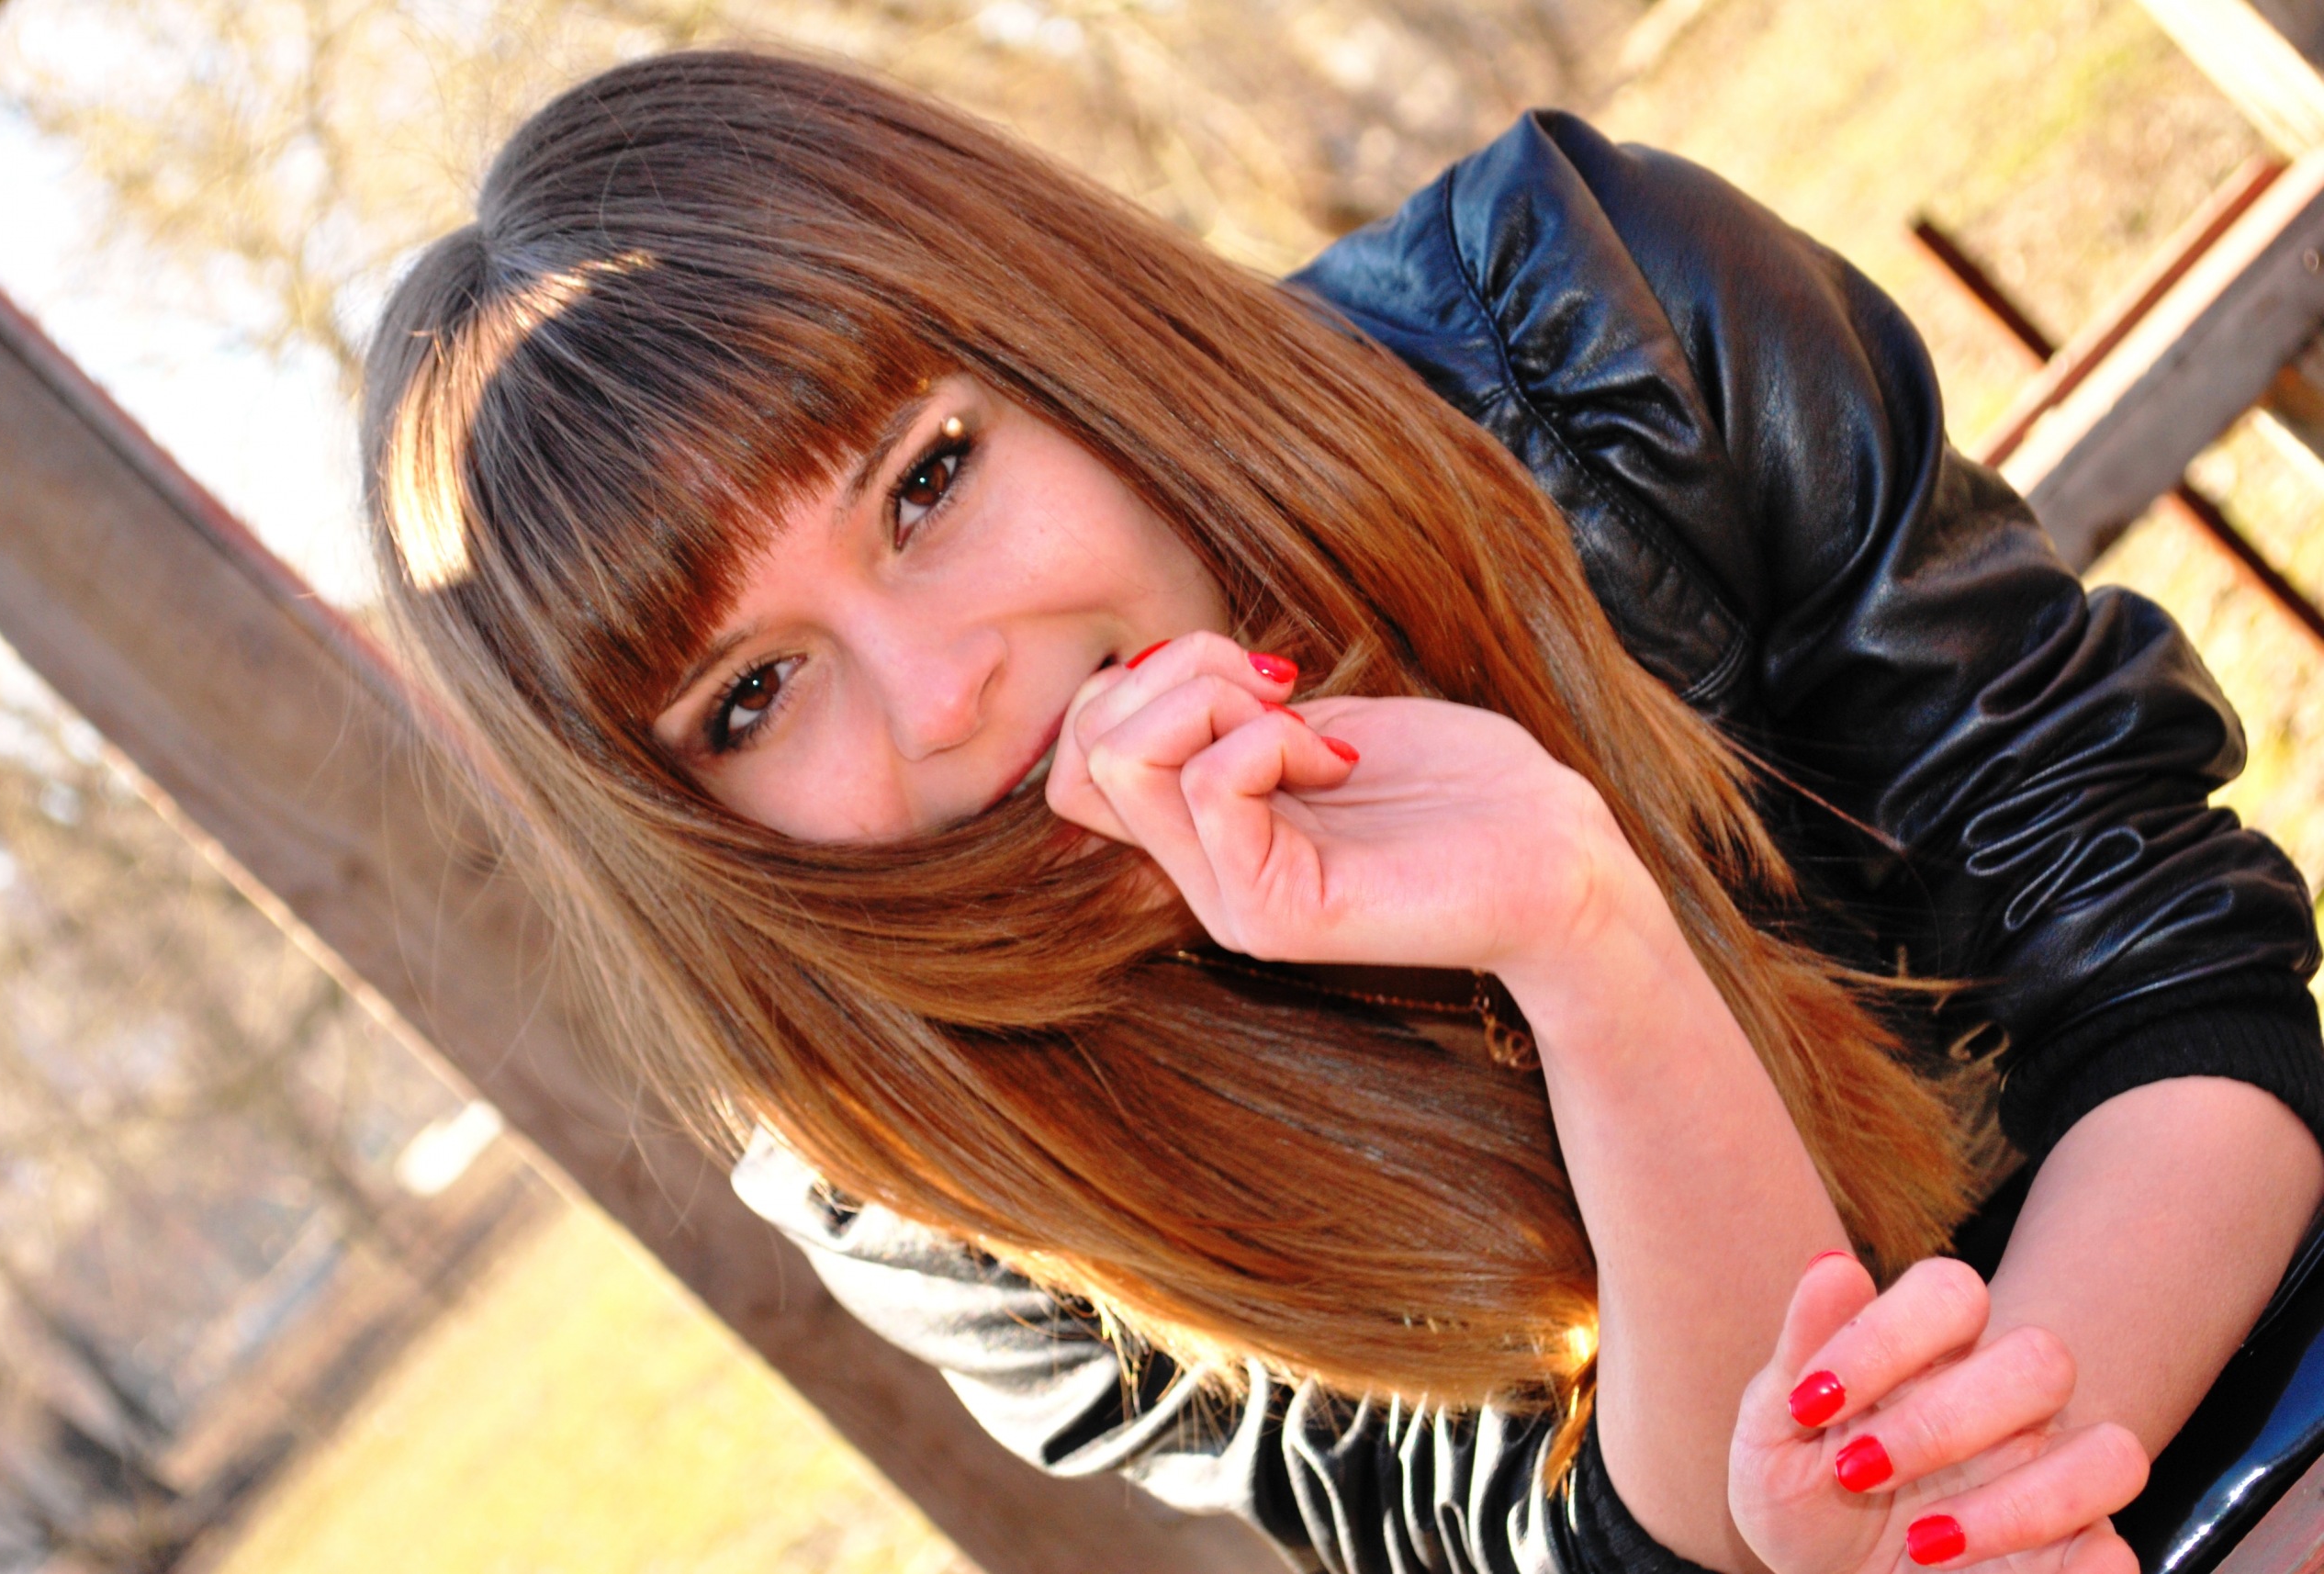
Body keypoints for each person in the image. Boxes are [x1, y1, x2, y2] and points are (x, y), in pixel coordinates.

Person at [359, 49, 2324, 1574]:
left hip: (2207, 1286)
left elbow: (2166, 970)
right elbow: (1581, 1532)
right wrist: (1587, 948)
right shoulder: (907, 1149)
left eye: (927, 478)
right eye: (752, 693)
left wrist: (1965, 1508)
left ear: (1058, 333)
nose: (944, 690)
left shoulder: (1583, 319)